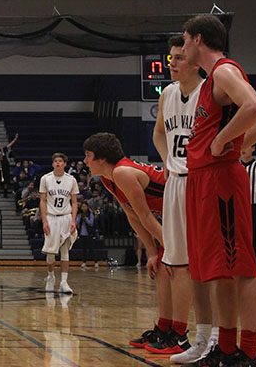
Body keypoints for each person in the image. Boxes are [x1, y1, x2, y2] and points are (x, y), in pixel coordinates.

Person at [181, 14, 256, 366]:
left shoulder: (222, 71)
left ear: (199, 39)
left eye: (185, 40)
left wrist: (221, 142)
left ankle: (247, 352)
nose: (182, 47)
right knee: (220, 269)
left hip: (221, 181)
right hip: (205, 179)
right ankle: (228, 348)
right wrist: (229, 143)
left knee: (242, 268)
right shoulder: (209, 81)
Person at [150, 35, 215, 362]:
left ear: (194, 61)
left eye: (178, 57)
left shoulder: (212, 90)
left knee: (205, 265)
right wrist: (168, 162)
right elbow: (159, 133)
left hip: (204, 180)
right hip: (176, 182)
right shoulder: (169, 94)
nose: (172, 63)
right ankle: (189, 335)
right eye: (170, 57)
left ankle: (215, 335)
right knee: (176, 264)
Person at [82, 133, 173, 353]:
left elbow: (146, 217)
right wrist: (152, 252)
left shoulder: (122, 172)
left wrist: (168, 248)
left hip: (186, 208)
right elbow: (132, 216)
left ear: (101, 159)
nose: (85, 161)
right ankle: (164, 328)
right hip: (169, 215)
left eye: (88, 156)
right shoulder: (108, 177)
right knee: (161, 268)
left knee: (173, 269)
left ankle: (175, 333)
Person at [38, 153, 79, 294]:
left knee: (65, 250)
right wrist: (44, 221)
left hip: (66, 217)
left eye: (60, 161)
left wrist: (73, 220)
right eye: (55, 161)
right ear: (52, 163)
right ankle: (50, 276)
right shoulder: (45, 179)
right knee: (50, 253)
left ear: (65, 163)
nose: (58, 163)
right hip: (51, 217)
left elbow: (74, 202)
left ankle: (64, 282)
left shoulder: (71, 180)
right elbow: (42, 201)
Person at [75, 202, 98, 270]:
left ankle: (95, 262)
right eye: (82, 206)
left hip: (89, 234)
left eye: (85, 206)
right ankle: (84, 262)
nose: (84, 208)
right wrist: (80, 219)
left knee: (91, 249)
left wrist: (86, 219)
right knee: (83, 249)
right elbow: (76, 223)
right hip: (82, 234)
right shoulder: (79, 215)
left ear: (87, 207)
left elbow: (91, 223)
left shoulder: (90, 214)